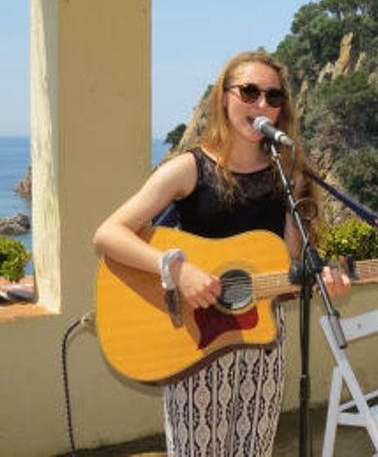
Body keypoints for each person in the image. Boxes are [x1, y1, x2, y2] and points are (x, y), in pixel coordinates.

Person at [93, 51, 351, 456]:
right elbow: (108, 234)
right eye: (249, 92)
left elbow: (286, 267)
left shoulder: (288, 175)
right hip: (194, 342)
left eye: (273, 96)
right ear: (223, 98)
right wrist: (177, 270)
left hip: (262, 341)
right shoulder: (188, 168)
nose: (261, 104)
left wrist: (318, 281)